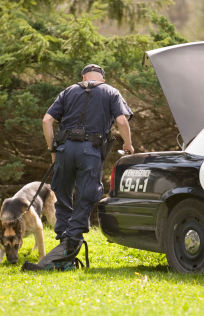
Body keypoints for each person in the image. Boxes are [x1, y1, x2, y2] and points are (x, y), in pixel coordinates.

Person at [38, 64, 134, 268]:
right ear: (103, 79)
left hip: (64, 151)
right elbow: (122, 122)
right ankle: (70, 243)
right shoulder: (111, 92)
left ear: (83, 77)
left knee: (62, 197)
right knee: (87, 196)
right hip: (89, 152)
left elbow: (47, 121)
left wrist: (53, 152)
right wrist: (128, 144)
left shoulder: (68, 91)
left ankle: (64, 248)